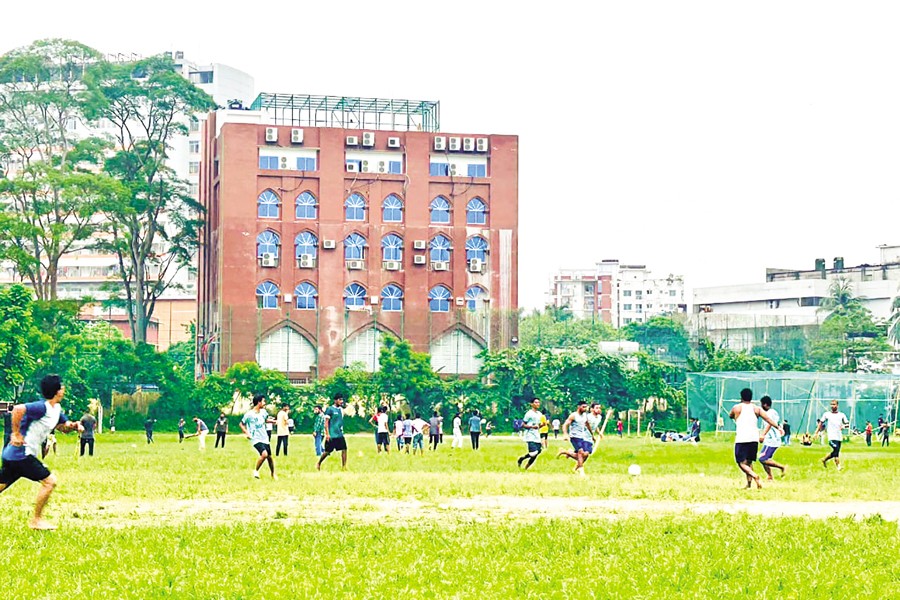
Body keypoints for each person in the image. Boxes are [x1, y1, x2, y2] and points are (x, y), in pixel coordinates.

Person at [0, 374, 84, 529]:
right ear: (57, 390)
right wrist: (16, 433)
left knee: (2, 484)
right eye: (62, 385)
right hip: (21, 455)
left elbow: (62, 427)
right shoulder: (42, 407)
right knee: (49, 482)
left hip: (13, 455)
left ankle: (37, 520)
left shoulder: (56, 409)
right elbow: (17, 409)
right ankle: (36, 520)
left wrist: (74, 426)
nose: (64, 388)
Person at [729, 388, 782, 489]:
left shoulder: (737, 407)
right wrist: (778, 427)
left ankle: (755, 476)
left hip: (742, 438)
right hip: (754, 439)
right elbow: (768, 419)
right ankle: (749, 484)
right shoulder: (756, 409)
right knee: (749, 462)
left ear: (741, 397)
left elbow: (730, 415)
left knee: (741, 463)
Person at [240, 395, 276, 479]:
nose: (264, 403)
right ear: (259, 402)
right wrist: (247, 433)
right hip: (255, 438)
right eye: (263, 401)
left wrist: (274, 421)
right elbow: (241, 424)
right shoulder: (249, 414)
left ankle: (273, 474)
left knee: (269, 457)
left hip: (264, 437)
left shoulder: (263, 412)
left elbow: (265, 420)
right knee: (264, 454)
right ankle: (256, 471)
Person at [558, 401, 594, 475]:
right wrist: (565, 434)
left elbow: (587, 425)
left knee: (585, 454)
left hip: (582, 437)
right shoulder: (573, 415)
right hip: (574, 436)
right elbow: (565, 425)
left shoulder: (585, 416)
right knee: (580, 452)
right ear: (579, 407)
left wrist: (592, 435)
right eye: (583, 407)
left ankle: (567, 452)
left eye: (586, 407)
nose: (585, 409)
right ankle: (581, 471)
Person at [813, 399, 849, 470]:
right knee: (835, 449)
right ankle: (837, 465)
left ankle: (825, 460)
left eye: (834, 404)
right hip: (831, 437)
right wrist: (816, 433)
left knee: (836, 452)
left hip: (839, 437)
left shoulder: (841, 415)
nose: (832, 406)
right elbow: (821, 423)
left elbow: (847, 424)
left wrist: (843, 426)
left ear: (837, 405)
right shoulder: (827, 414)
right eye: (831, 404)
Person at [758, 396, 787, 480]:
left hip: (772, 440)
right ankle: (770, 476)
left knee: (762, 458)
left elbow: (769, 424)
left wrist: (763, 435)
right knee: (764, 458)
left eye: (762, 404)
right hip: (770, 440)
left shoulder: (770, 413)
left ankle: (782, 467)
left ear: (765, 404)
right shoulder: (772, 412)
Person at [317, 394, 347, 471]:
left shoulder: (341, 410)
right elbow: (326, 422)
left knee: (344, 449)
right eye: (340, 400)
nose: (341, 401)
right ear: (335, 400)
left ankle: (344, 467)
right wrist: (327, 434)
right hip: (332, 435)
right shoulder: (330, 409)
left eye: (342, 400)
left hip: (339, 434)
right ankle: (319, 463)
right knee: (327, 451)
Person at [517, 398, 544, 470]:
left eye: (538, 402)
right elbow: (523, 425)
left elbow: (538, 426)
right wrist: (532, 426)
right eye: (536, 402)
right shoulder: (529, 414)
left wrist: (543, 425)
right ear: (531, 404)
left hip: (537, 436)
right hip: (530, 436)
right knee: (533, 453)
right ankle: (521, 459)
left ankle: (526, 468)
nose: (537, 404)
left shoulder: (539, 414)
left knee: (537, 452)